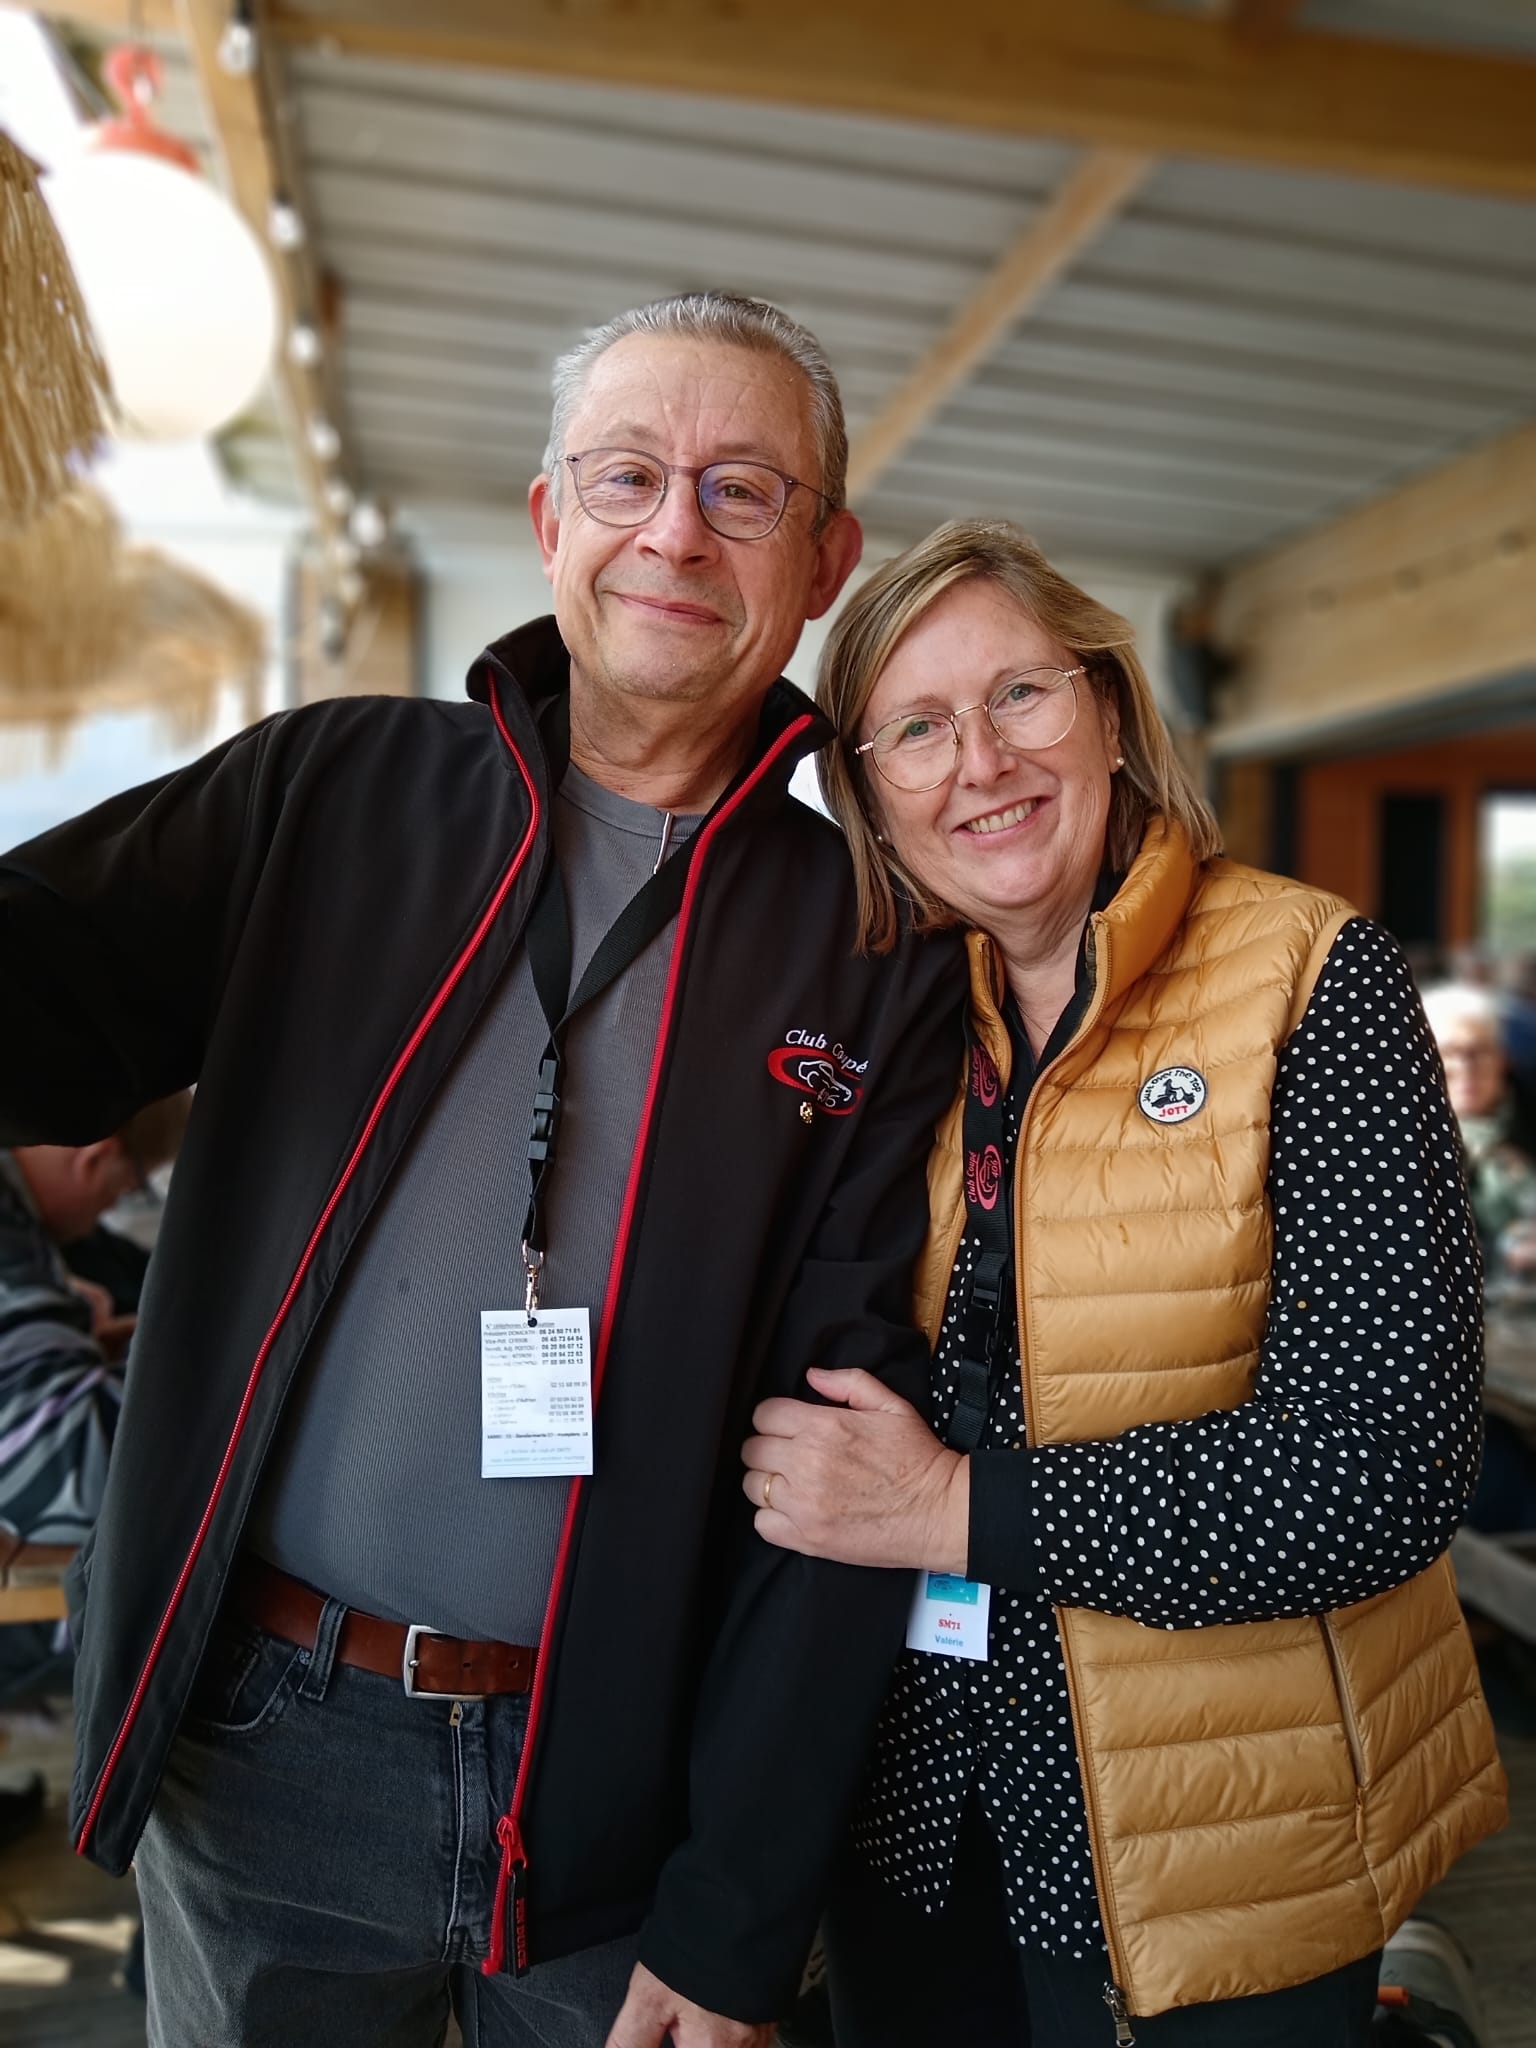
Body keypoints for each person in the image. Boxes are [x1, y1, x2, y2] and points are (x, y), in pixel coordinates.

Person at [0, 294, 964, 2048]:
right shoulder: (335, 786)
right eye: (629, 474)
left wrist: (741, 1908)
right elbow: (34, 1008)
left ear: (824, 559)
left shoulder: (872, 947)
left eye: (744, 491)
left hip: (625, 1791)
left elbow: (850, 1475)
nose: (677, 525)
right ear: (551, 520)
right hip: (262, 1748)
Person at [741, 519, 1506, 2045]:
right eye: (916, 727)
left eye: (1020, 694)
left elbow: (1383, 1472)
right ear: (872, 794)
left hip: (1230, 1842)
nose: (982, 761)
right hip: (915, 1823)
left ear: (1104, 707)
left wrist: (949, 1509)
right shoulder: (885, 1029)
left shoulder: (1307, 977)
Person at [1422, 981, 1536, 1278]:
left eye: (1478, 1051)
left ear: (1503, 1059)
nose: (1465, 1067)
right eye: (1447, 1052)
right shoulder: (1400, 1138)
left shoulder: (1527, 1112)